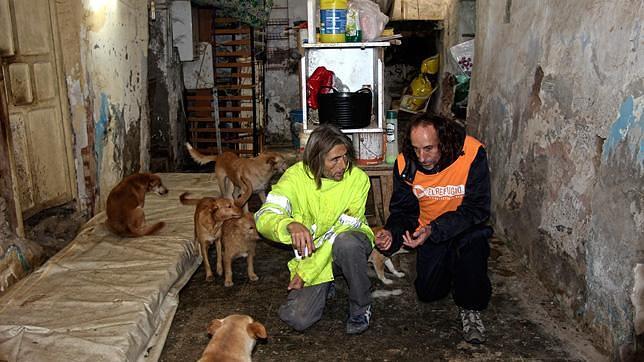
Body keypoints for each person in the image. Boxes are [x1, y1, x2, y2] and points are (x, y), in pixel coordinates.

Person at [374, 113, 493, 344]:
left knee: (474, 242)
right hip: (430, 233)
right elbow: (403, 212)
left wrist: (435, 229)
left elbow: (478, 209)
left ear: (444, 141)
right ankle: (457, 270)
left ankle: (471, 307)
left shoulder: (472, 152)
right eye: (416, 149)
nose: (422, 157)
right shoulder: (405, 164)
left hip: (463, 228)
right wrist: (392, 233)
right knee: (428, 293)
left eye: (429, 148)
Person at [255, 124, 374, 334]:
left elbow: (337, 231)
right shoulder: (295, 177)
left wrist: (306, 273)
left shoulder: (357, 179)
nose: (343, 165)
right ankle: (326, 282)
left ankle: (361, 306)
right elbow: (264, 216)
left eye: (345, 157)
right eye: (334, 160)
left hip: (346, 242)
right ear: (316, 159)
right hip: (314, 254)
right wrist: (288, 224)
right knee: (297, 318)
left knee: (347, 243)